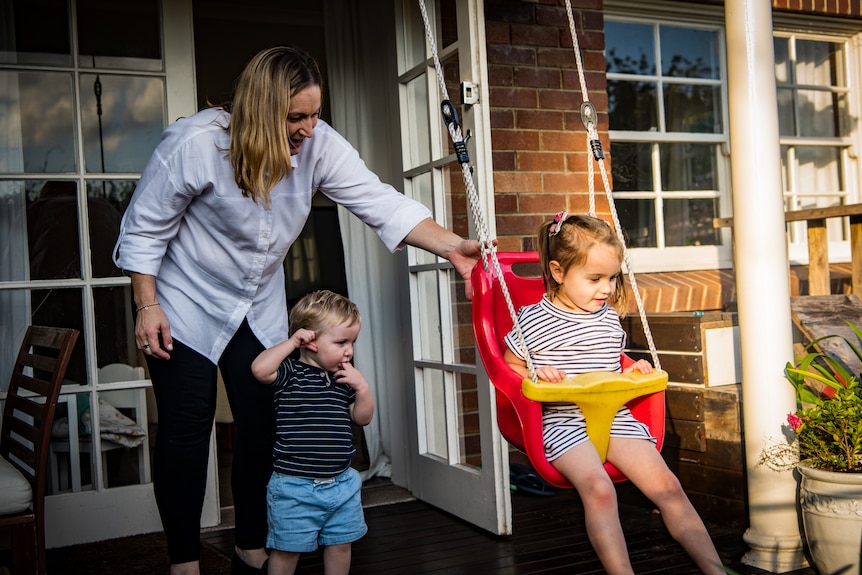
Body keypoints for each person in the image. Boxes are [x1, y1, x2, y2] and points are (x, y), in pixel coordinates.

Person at [113, 46, 481, 575]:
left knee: (262, 423)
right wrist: (147, 304)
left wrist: (450, 247)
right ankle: (184, 560)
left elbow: (379, 201)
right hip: (183, 302)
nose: (309, 128)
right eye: (296, 117)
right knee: (186, 429)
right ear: (261, 110)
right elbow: (144, 228)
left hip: (256, 303)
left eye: (314, 113)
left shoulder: (318, 144)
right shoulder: (194, 143)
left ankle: (249, 543)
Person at [503, 212, 724, 575]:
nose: (605, 289)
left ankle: (716, 570)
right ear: (558, 272)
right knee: (600, 490)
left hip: (616, 419)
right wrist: (535, 372)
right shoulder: (532, 319)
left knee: (668, 486)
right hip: (562, 424)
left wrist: (630, 370)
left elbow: (609, 365)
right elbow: (509, 369)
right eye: (594, 279)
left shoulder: (606, 317)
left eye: (611, 278)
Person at [251, 290, 372, 575]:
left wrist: (363, 389)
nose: (349, 351)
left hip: (342, 483)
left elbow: (361, 418)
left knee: (341, 545)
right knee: (287, 550)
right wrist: (291, 342)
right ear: (310, 340)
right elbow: (259, 369)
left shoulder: (344, 379)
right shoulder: (290, 373)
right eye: (341, 342)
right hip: (295, 487)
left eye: (352, 342)